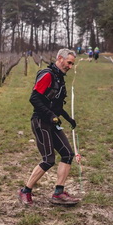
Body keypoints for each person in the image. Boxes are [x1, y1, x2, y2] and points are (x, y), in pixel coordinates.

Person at [18, 48, 80, 206]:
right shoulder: (47, 75)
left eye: (72, 64)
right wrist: (50, 116)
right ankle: (25, 191)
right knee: (48, 160)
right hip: (40, 121)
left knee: (67, 154)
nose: (70, 67)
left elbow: (57, 105)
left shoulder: (59, 78)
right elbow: (34, 99)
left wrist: (68, 118)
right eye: (69, 63)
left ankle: (58, 193)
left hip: (53, 122)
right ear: (60, 59)